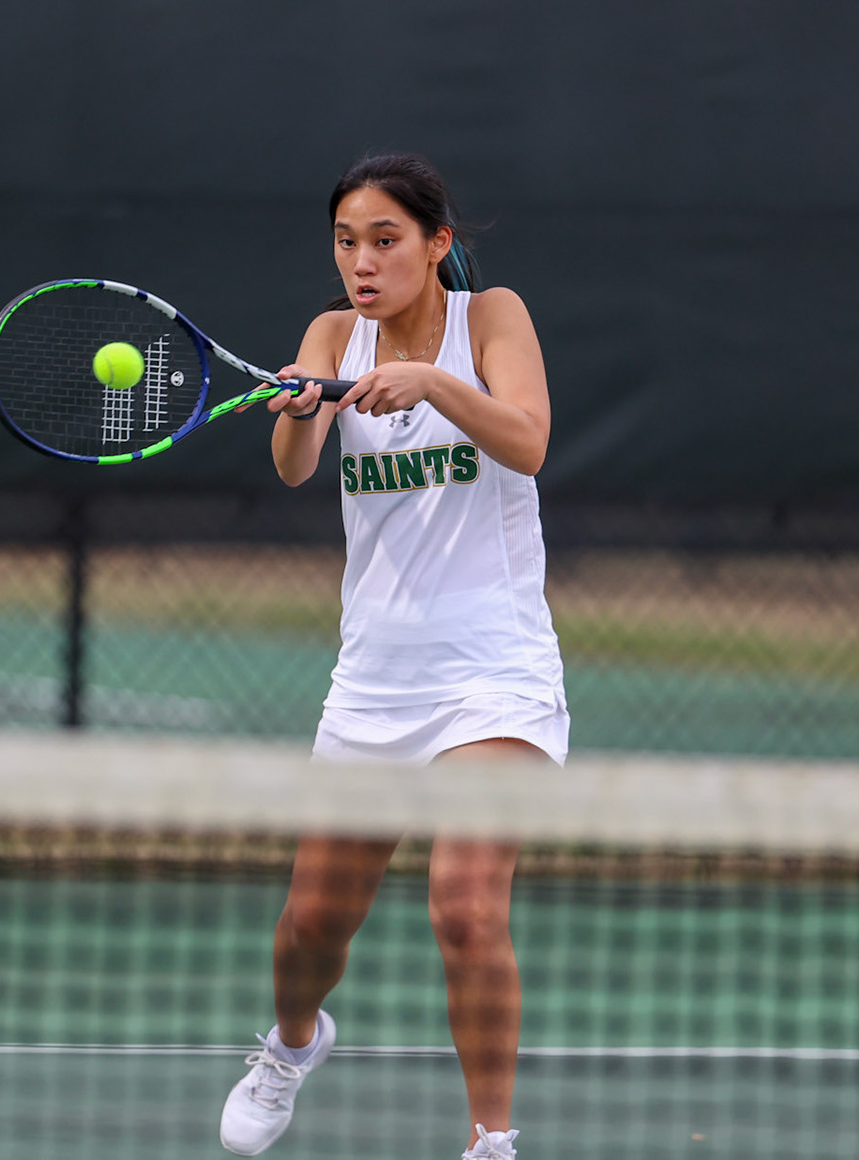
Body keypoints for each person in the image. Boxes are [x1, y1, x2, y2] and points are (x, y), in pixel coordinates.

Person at [218, 154, 567, 1160]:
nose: (362, 261)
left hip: (495, 673)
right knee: (310, 928)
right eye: (346, 241)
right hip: (374, 679)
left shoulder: (492, 317)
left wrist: (432, 382)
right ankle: (291, 1044)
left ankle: (491, 1139)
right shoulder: (333, 334)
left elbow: (530, 440)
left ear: (436, 245)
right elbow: (294, 469)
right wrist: (297, 413)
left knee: (464, 904)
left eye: (384, 240)